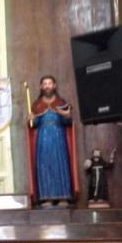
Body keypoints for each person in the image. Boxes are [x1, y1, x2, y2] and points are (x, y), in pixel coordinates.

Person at [27, 75, 77, 207]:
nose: (47, 86)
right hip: (43, 139)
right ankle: (46, 197)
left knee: (60, 164)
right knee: (45, 166)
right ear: (41, 87)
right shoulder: (37, 105)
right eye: (45, 84)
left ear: (54, 86)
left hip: (59, 138)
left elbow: (67, 122)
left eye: (50, 83)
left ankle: (63, 197)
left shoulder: (61, 103)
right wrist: (31, 119)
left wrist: (67, 116)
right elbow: (34, 125)